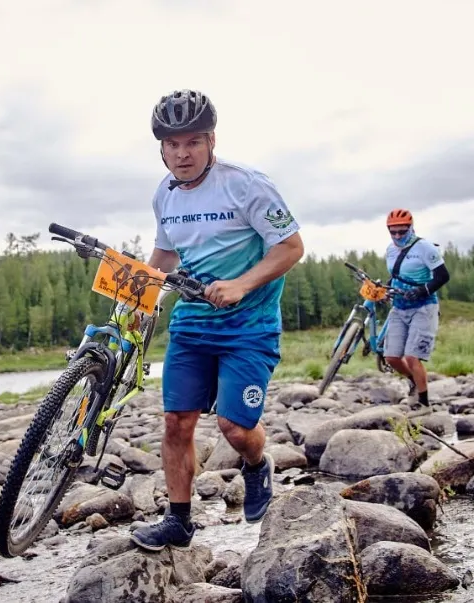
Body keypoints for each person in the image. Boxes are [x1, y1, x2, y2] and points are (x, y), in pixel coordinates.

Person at [129, 89, 304, 551]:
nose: (182, 154)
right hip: (191, 324)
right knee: (176, 422)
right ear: (161, 148)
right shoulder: (164, 194)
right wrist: (139, 296)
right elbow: (165, 255)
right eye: (172, 144)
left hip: (249, 325)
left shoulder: (246, 184)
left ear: (210, 141)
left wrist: (242, 284)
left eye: (192, 142)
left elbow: (290, 247)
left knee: (234, 428)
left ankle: (257, 464)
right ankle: (179, 520)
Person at [382, 208, 450, 408]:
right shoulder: (390, 250)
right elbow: (396, 275)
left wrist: (423, 290)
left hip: (423, 307)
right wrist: (387, 290)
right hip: (399, 307)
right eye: (393, 232)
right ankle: (413, 380)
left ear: (411, 228)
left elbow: (443, 276)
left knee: (412, 356)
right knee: (392, 357)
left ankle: (424, 403)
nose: (397, 236)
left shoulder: (425, 248)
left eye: (402, 232)